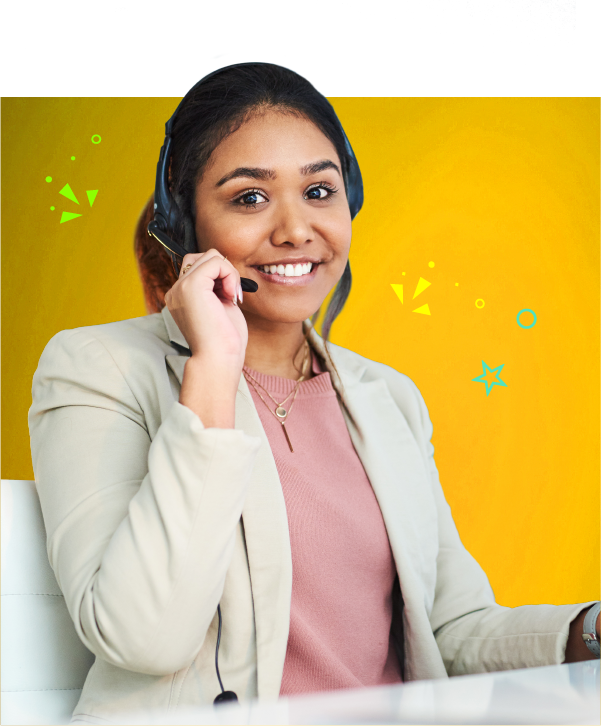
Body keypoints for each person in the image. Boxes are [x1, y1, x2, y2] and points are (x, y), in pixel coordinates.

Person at [29, 62, 599, 725]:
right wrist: (213, 365)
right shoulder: (97, 367)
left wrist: (589, 630)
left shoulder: (387, 396)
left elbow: (447, 632)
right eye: (249, 198)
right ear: (182, 225)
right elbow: (142, 635)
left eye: (319, 191)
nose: (296, 230)